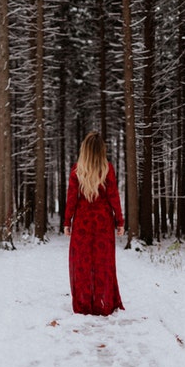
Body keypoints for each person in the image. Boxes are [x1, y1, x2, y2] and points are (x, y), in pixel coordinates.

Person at [63, 131, 124, 316]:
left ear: (85, 150)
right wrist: (119, 221)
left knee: (80, 264)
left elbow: (72, 199)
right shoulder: (108, 169)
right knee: (103, 263)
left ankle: (82, 305)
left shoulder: (77, 170)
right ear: (101, 150)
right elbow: (114, 197)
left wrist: (67, 222)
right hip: (103, 222)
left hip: (82, 222)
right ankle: (103, 304)